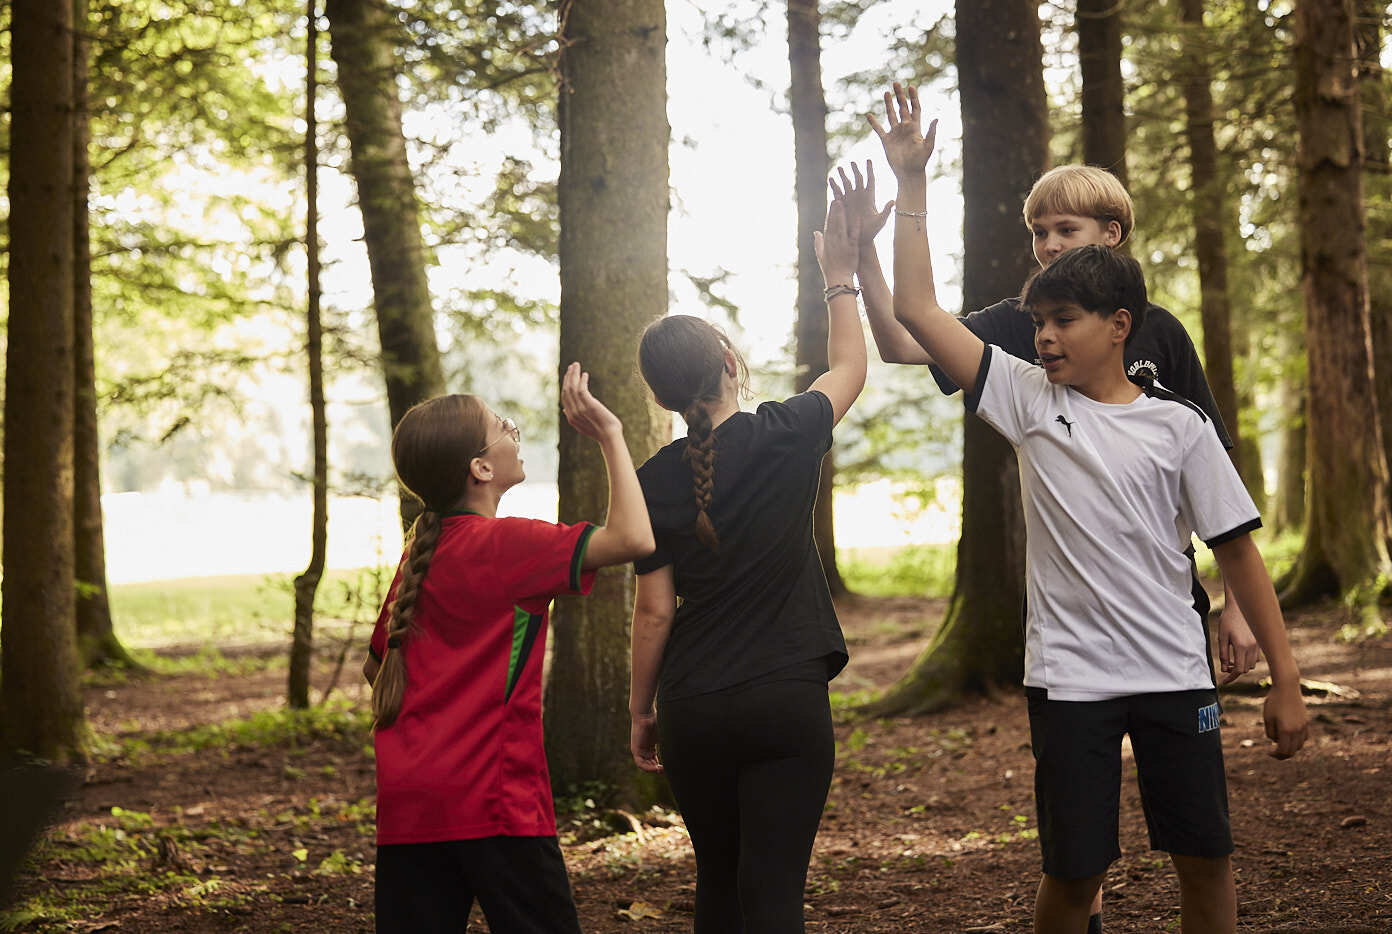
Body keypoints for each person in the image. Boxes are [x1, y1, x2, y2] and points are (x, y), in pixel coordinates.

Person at [870, 107, 1310, 932]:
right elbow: (919, 316)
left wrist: (1286, 679)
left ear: (1120, 328)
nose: (1042, 337)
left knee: (1205, 860)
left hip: (1178, 673)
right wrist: (912, 183)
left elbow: (1236, 547)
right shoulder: (1027, 396)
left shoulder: (1179, 421)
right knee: (1074, 874)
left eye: (1060, 321)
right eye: (1036, 323)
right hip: (1070, 679)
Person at [626, 196, 867, 932]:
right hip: (785, 698)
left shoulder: (653, 478)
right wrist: (840, 277)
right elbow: (852, 365)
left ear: (661, 396)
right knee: (772, 896)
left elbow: (655, 610)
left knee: (718, 888)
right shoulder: (786, 432)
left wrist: (641, 711)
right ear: (731, 365)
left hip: (694, 706)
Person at [360, 365, 654, 934]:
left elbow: (379, 665)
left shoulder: (419, 555)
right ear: (481, 468)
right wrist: (612, 435)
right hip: (495, 801)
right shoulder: (510, 544)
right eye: (504, 427)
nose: (515, 434)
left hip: (409, 803)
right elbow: (635, 539)